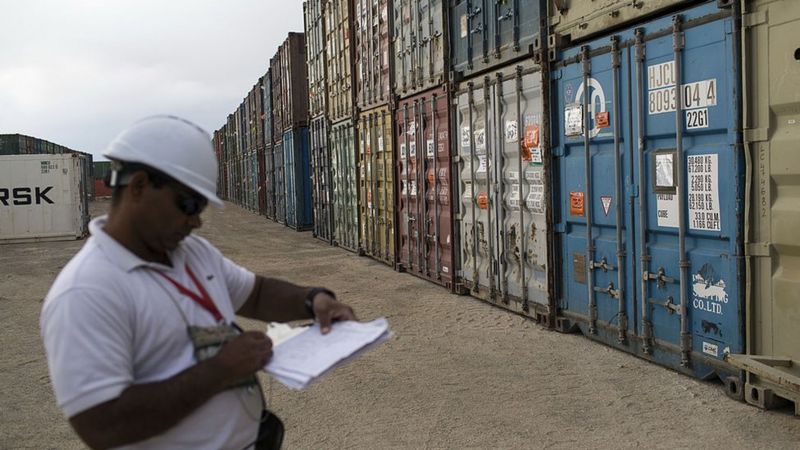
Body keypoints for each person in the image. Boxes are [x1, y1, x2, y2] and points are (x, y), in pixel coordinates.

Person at [40, 115, 356, 449]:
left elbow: (257, 293)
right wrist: (221, 369)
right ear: (139, 187)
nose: (197, 221)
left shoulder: (191, 252)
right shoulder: (86, 292)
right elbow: (102, 426)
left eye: (201, 206)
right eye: (189, 204)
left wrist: (314, 300)